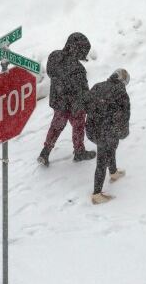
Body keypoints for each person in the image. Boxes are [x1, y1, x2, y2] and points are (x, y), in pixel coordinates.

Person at [37, 32, 96, 166]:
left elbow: (52, 74)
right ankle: (79, 151)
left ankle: (45, 152)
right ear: (77, 49)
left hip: (59, 102)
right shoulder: (78, 68)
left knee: (56, 126)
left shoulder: (54, 56)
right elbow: (83, 92)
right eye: (83, 50)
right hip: (75, 105)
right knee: (78, 126)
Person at [82, 68, 131, 204]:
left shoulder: (98, 86)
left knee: (111, 149)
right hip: (107, 131)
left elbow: (85, 105)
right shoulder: (121, 93)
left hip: (93, 129)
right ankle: (97, 194)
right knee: (102, 160)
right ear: (123, 81)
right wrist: (123, 132)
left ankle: (114, 173)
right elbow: (124, 116)